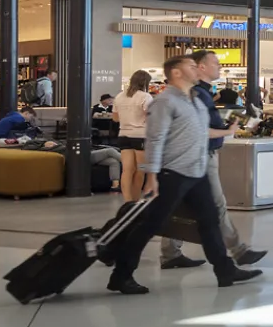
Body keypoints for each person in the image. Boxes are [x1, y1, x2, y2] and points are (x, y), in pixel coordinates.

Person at [102, 55, 262, 295]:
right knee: (150, 224)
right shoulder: (165, 102)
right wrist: (152, 176)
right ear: (176, 73)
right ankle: (121, 275)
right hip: (172, 173)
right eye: (190, 66)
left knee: (209, 221)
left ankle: (225, 269)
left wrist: (228, 130)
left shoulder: (195, 100)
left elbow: (201, 130)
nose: (195, 68)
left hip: (195, 172)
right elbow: (155, 139)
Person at [159, 51, 264, 272]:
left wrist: (231, 126)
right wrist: (227, 132)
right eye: (215, 63)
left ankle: (170, 253)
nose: (219, 67)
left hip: (196, 157)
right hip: (200, 157)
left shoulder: (202, 95)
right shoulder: (192, 95)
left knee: (179, 206)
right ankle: (238, 252)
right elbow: (198, 129)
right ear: (201, 67)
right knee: (215, 206)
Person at [113, 71, 154, 204]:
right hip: (140, 136)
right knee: (141, 169)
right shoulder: (145, 97)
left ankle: (127, 201)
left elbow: (115, 118)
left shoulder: (119, 96)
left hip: (123, 135)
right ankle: (136, 200)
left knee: (127, 170)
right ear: (145, 82)